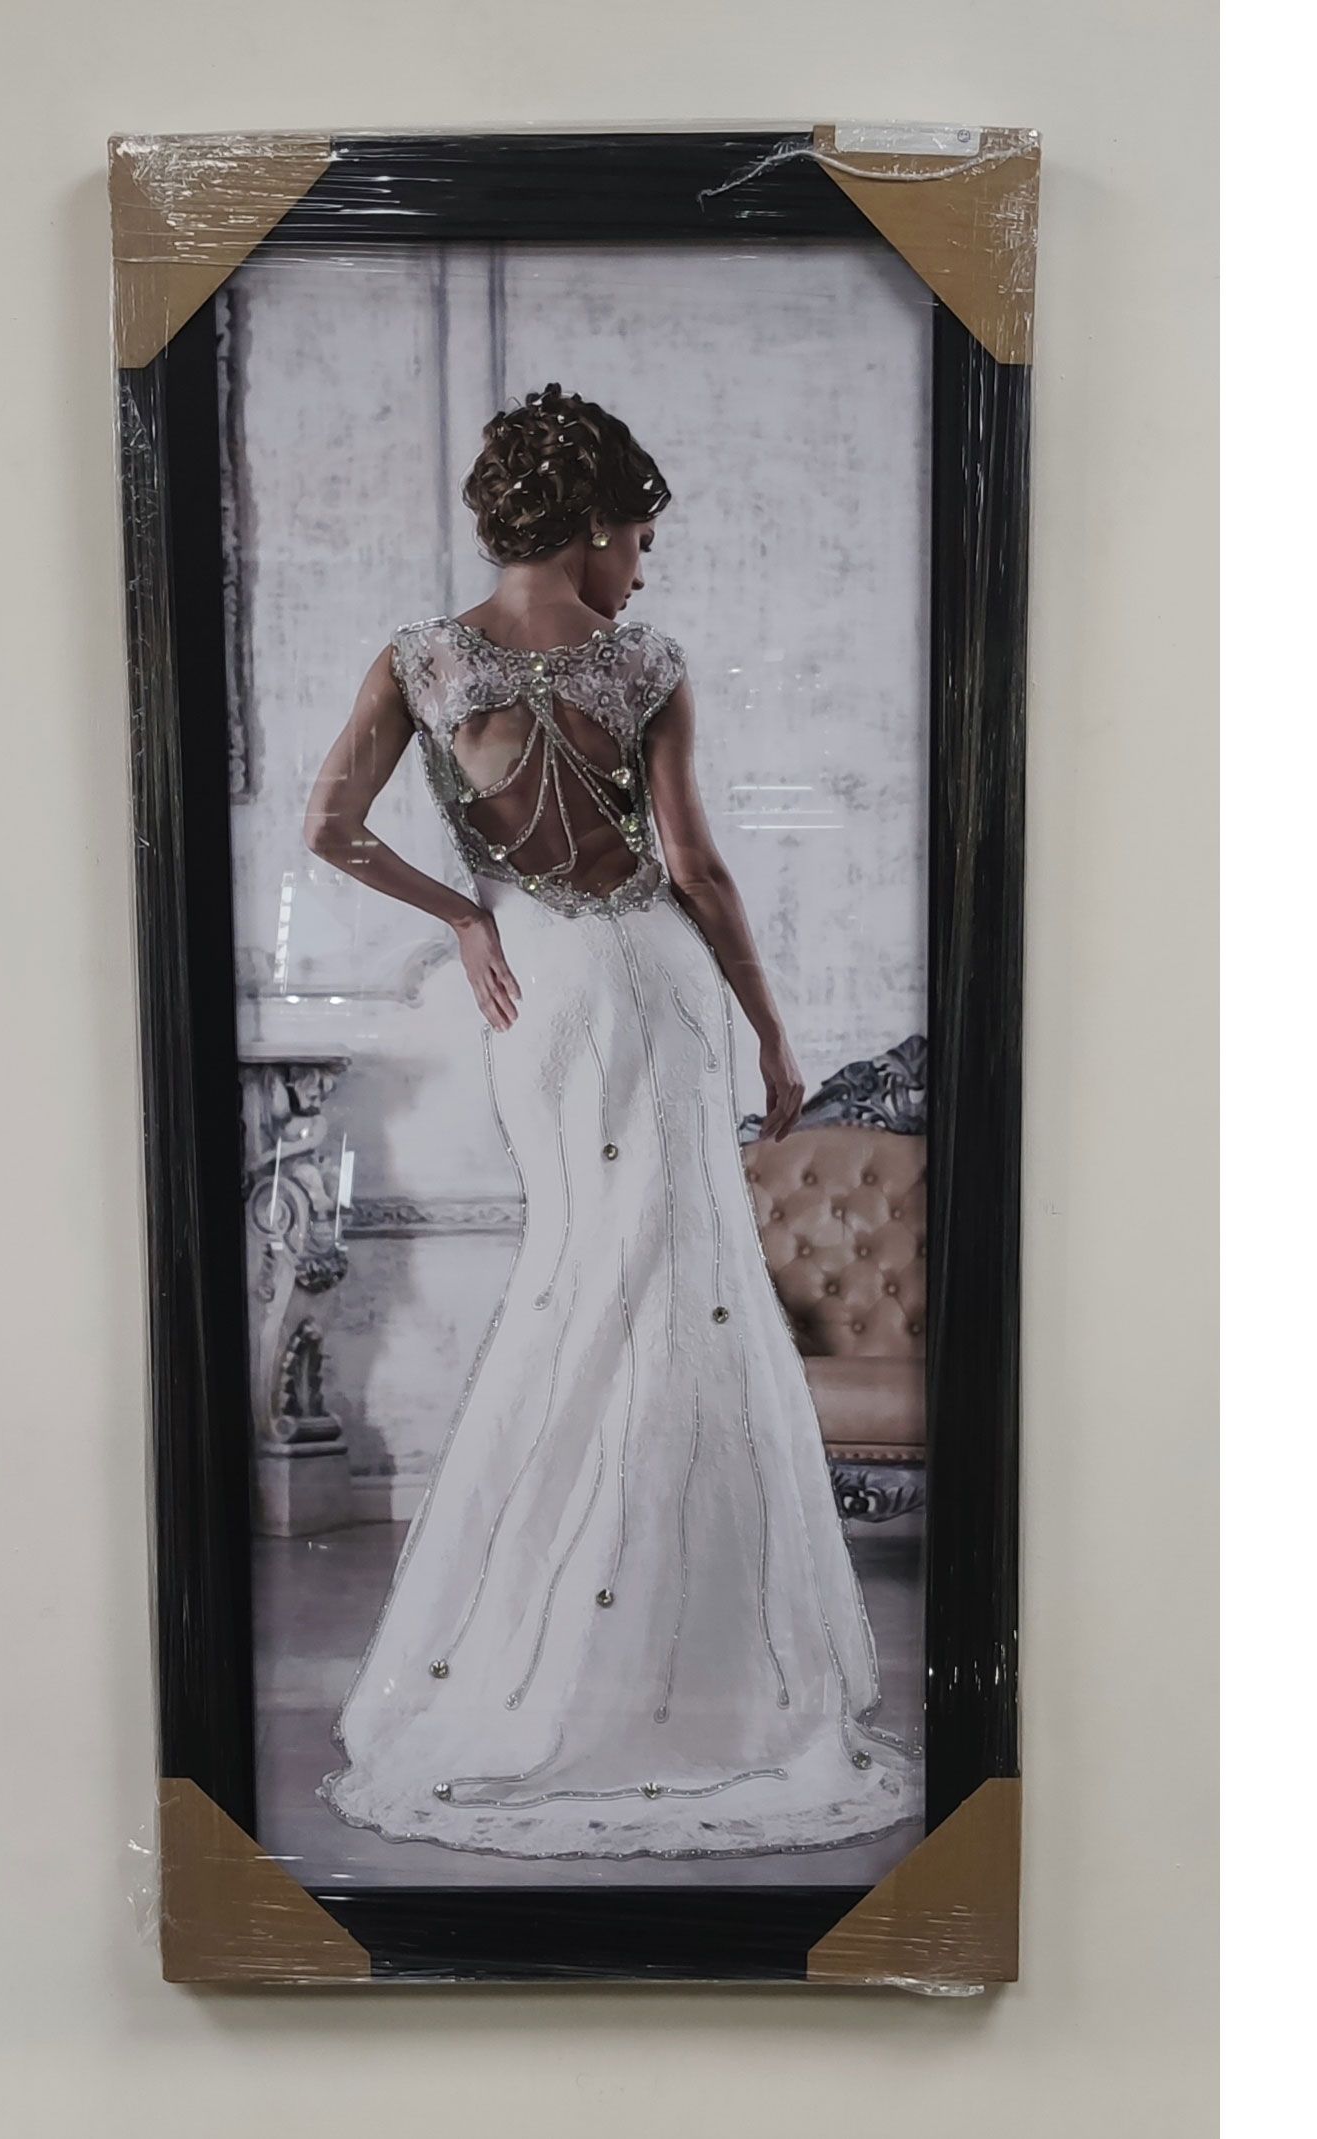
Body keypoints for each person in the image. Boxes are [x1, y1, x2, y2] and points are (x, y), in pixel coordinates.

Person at [302, 384, 919, 1858]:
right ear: (587, 524)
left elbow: (329, 827)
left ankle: (539, 1647)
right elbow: (695, 870)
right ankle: (681, 1663)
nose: (641, 570)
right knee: (675, 1295)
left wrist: (465, 915)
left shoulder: (421, 659)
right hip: (652, 983)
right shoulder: (643, 665)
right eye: (637, 537)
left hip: (535, 995)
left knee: (581, 1282)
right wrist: (773, 1030)